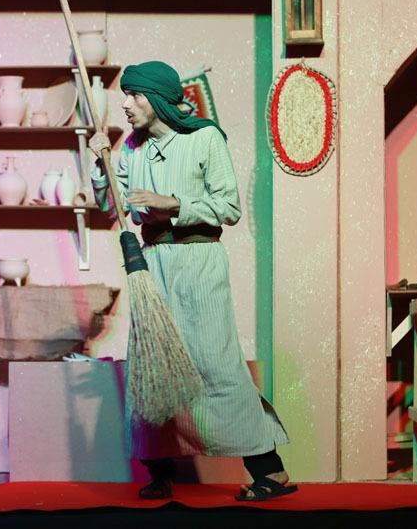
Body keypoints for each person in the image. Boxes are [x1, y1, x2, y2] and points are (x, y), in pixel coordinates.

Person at [88, 61, 294, 502]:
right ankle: (160, 472)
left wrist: (174, 204)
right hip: (152, 264)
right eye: (125, 96)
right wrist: (100, 164)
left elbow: (229, 207)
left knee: (216, 365)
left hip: (199, 261)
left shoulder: (205, 138)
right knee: (153, 364)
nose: (126, 105)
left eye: (134, 95)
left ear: (158, 99)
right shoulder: (132, 149)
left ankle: (270, 471)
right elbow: (110, 206)